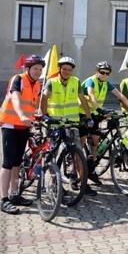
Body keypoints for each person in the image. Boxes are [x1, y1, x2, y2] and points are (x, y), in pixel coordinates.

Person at [40, 56, 96, 196]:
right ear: (59, 69)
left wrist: (88, 117)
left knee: (78, 154)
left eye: (69, 70)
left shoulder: (75, 82)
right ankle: (54, 184)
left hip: (71, 124)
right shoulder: (52, 82)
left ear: (72, 71)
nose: (66, 72)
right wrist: (45, 115)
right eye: (64, 69)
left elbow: (82, 100)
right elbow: (44, 98)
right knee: (53, 153)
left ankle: (83, 183)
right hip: (55, 124)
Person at [0, 55, 44, 214]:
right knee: (8, 162)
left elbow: (32, 105)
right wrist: (22, 115)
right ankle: (4, 200)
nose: (38, 71)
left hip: (24, 126)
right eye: (35, 68)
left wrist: (37, 117)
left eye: (40, 69)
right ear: (27, 68)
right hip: (10, 124)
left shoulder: (37, 84)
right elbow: (16, 98)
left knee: (17, 162)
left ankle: (14, 194)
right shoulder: (18, 79)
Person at [80, 61, 128, 183]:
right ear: (97, 72)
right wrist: (99, 109)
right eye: (102, 72)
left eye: (107, 73)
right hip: (82, 114)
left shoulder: (106, 83)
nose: (104, 75)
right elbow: (91, 95)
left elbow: (120, 96)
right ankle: (77, 162)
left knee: (95, 141)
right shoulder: (90, 81)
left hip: (96, 115)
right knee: (81, 142)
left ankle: (91, 168)